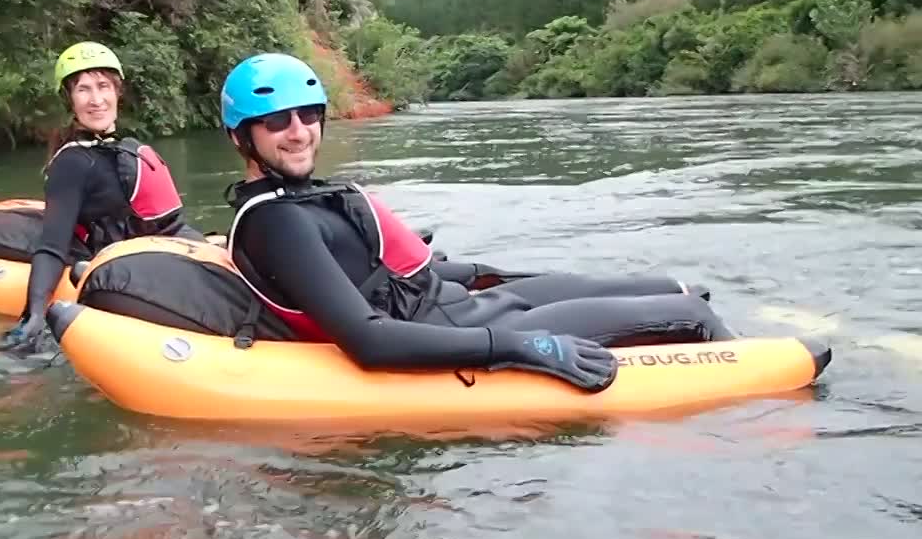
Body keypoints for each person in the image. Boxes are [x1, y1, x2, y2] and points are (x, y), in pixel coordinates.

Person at [218, 53, 734, 392]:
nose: (299, 132)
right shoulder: (276, 224)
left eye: (308, 115)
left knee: (667, 286)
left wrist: (492, 275)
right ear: (241, 136)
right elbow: (370, 340)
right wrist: (521, 346)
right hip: (462, 329)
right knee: (690, 314)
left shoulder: (305, 195)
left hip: (459, 304)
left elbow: (385, 275)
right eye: (277, 121)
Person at [0, 41, 205, 353]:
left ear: (117, 91)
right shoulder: (72, 163)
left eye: (103, 86)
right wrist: (34, 314)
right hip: (134, 268)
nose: (96, 100)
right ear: (69, 99)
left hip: (169, 246)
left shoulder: (119, 147)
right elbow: (52, 246)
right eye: (83, 89)